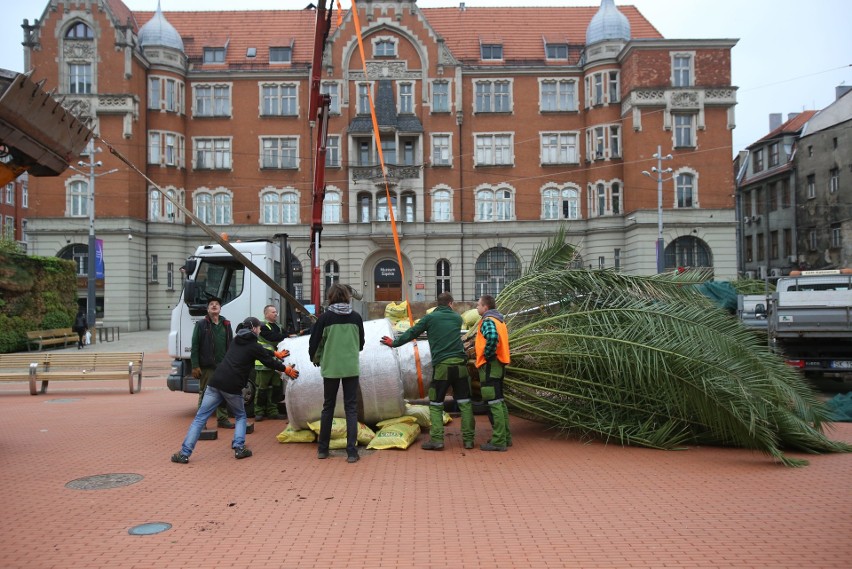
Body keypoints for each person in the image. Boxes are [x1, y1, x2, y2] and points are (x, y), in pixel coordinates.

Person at [172, 317, 299, 463]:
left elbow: (260, 350)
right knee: (240, 416)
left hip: (215, 382)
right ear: (253, 329)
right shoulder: (253, 346)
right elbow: (267, 361)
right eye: (259, 328)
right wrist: (286, 369)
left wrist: (274, 353)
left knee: (200, 418)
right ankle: (239, 448)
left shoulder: (236, 340)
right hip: (232, 386)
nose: (260, 330)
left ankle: (184, 453)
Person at [380, 292, 475, 451]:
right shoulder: (457, 318)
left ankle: (437, 440)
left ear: (438, 304)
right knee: (465, 403)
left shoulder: (429, 319)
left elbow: (412, 333)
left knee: (436, 403)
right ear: (451, 304)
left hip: (442, 367)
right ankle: (469, 440)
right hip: (460, 366)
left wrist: (394, 343)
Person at [308, 283, 365, 463]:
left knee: (328, 407)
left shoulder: (325, 318)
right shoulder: (356, 317)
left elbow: (314, 342)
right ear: (348, 297)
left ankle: (323, 449)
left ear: (331, 297)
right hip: (351, 368)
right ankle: (352, 452)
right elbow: (361, 343)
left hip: (331, 368)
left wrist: (315, 358)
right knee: (351, 408)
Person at [474, 294, 512, 451]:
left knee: (494, 403)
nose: (477, 307)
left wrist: (488, 355)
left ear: (485, 307)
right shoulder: (500, 320)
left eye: (478, 305)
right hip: (499, 365)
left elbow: (492, 337)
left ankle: (498, 441)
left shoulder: (488, 321)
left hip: (490, 366)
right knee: (499, 402)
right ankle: (505, 437)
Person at [190, 297, 234, 429]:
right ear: (208, 309)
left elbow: (230, 346)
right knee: (205, 394)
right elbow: (195, 345)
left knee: (223, 393)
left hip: (223, 366)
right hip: (207, 367)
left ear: (220, 308)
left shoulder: (226, 324)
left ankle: (222, 419)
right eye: (211, 304)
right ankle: (201, 422)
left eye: (217, 304)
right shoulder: (201, 325)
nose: (214, 306)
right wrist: (195, 365)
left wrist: (230, 364)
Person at [254, 304, 288, 421]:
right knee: (262, 388)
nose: (276, 314)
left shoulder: (278, 326)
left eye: (276, 312)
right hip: (263, 362)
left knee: (275, 388)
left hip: (276, 362)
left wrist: (285, 335)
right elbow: (273, 338)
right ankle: (259, 412)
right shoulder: (263, 326)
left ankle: (273, 411)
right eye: (273, 312)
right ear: (266, 314)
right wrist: (284, 336)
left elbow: (285, 335)